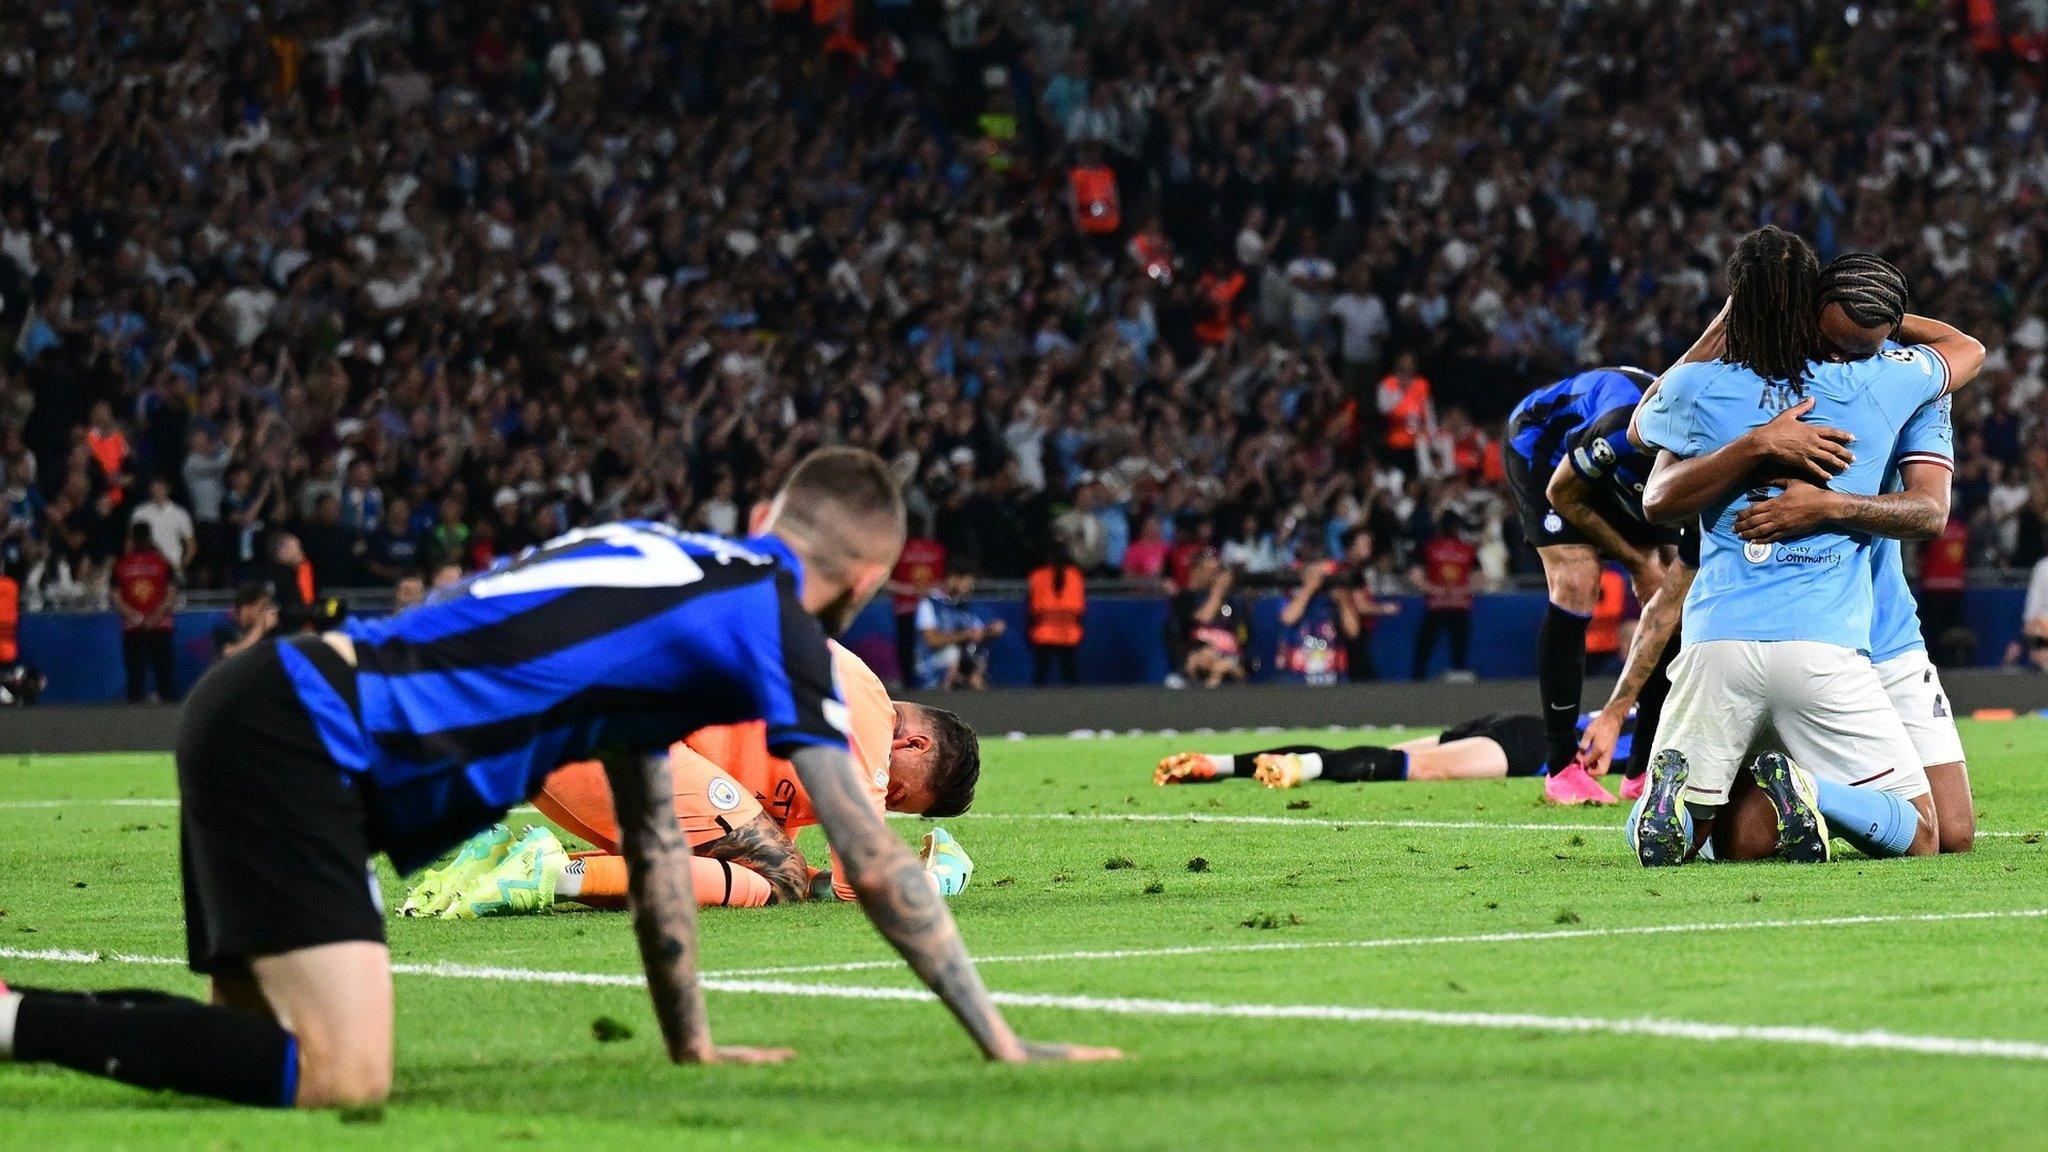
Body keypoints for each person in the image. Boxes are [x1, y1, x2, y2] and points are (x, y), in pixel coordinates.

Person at [0, 447, 1115, 1111]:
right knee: (346, 1075)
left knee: (260, 1050)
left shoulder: (652, 562)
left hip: (271, 705)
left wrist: (691, 1041)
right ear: (866, 579)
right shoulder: (773, 626)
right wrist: (1002, 1040)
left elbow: (655, 837)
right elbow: (869, 857)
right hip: (305, 743)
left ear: (768, 518)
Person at [1630, 231, 1983, 867]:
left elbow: (1930, 511)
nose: (1837, 354)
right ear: (1809, 310)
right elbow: (1967, 348)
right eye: (1830, 337)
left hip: (1873, 625)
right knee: (1762, 844)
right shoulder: (1890, 382)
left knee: (1954, 832)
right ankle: (1795, 791)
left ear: (1884, 334)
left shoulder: (1905, 385)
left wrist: (1827, 504)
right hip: (1822, 630)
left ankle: (1705, 797)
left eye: (1857, 345)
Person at [410, 642, 983, 913]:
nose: (885, 801)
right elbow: (856, 886)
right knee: (776, 877)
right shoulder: (865, 711)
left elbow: (786, 872)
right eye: (898, 792)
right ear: (913, 743)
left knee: (759, 869)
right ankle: (554, 876)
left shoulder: (800, 760)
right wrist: (939, 881)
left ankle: (490, 859)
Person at [1503, 363, 1686, 804]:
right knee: (1577, 579)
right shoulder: (1623, 431)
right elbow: (1562, 495)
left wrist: (1651, 567)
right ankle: (1561, 766)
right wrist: (1633, 561)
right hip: (1546, 455)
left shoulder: (1702, 452)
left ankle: (1641, 770)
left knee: (1670, 593)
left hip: (1632, 478)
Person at [1155, 710, 1634, 786]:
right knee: (1418, 768)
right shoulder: (1675, 735)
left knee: (1374, 751)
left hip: (1522, 723)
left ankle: (1220, 764)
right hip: (1535, 747)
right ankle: (1305, 767)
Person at [112, 522, 178, 703]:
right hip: (160, 627)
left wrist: (135, 616)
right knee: (165, 679)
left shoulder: (121, 565)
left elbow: (115, 597)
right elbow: (171, 593)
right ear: (150, 538)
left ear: (132, 539)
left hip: (133, 628)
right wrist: (155, 616)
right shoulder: (163, 563)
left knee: (136, 680)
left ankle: (133, 727)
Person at [915, 560, 1004, 690]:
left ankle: (980, 696)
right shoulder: (930, 603)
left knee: (977, 653)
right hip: (931, 663)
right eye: (967, 582)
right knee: (952, 653)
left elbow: (978, 631)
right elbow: (931, 640)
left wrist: (990, 631)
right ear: (953, 579)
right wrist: (965, 635)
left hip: (962, 659)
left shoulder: (965, 605)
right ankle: (944, 696)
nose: (969, 587)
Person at [1408, 513, 1477, 681]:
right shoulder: (1467, 549)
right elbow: (1480, 579)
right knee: (1459, 647)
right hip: (1459, 605)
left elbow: (1415, 577)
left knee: (1424, 646)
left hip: (1436, 605)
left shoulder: (1428, 547)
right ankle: (1460, 677)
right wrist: (1461, 591)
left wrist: (1435, 590)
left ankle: (1418, 678)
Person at [1167, 549, 1245, 687]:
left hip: (1229, 660)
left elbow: (1241, 638)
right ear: (1196, 570)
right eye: (1212, 572)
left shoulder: (1231, 601)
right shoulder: (1184, 598)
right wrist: (1218, 590)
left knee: (1225, 669)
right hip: (1198, 659)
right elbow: (1204, 618)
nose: (1216, 577)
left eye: (1218, 571)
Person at [889, 520, 946, 687]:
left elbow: (887, 579)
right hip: (931, 605)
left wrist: (908, 590)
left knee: (906, 645)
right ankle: (933, 682)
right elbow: (942, 580)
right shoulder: (937, 550)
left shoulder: (899, 549)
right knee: (931, 642)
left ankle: (909, 683)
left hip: (906, 606)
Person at [1026, 547, 1086, 686]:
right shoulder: (1076, 576)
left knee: (1041, 674)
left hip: (1044, 631)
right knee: (1070, 674)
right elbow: (1080, 610)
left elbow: (1031, 608)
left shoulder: (1037, 576)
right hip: (1069, 632)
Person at [129, 476, 196, 578]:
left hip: (173, 566)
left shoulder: (180, 513)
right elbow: (130, 541)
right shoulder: (139, 512)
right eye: (155, 487)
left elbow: (191, 545)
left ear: (168, 489)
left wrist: (181, 566)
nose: (158, 490)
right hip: (147, 569)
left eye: (161, 487)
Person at [212, 581, 279, 661]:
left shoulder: (269, 631)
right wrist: (260, 626)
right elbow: (230, 654)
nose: (267, 610)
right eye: (263, 606)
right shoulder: (224, 629)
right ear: (247, 608)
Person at [2006, 554, 2048, 671]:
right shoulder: (2043, 567)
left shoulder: (2043, 567)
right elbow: (2032, 609)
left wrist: (2019, 641)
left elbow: (2032, 610)